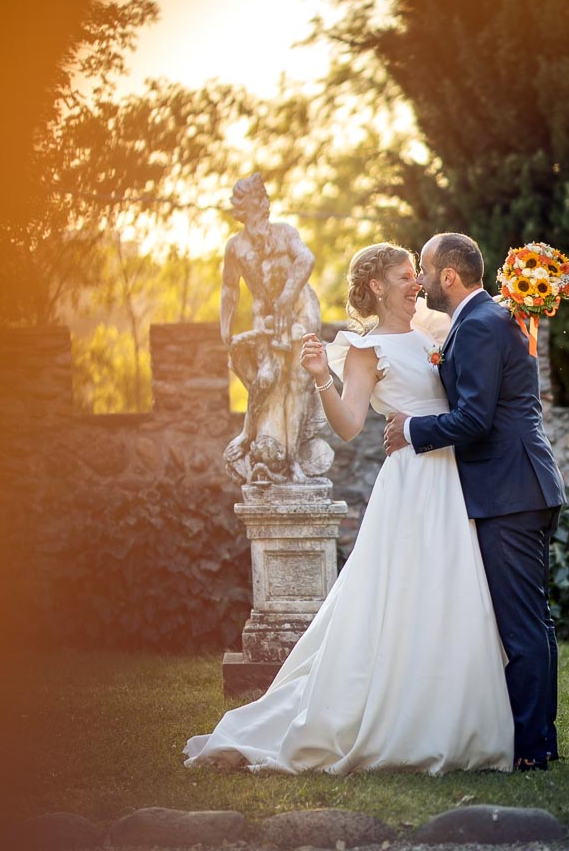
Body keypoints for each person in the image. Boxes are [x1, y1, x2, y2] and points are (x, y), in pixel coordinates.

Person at [182, 242, 514, 774]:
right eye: (405, 276)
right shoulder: (365, 348)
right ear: (379, 287)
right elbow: (350, 425)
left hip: (452, 480)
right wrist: (320, 376)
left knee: (450, 593)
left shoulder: (437, 331)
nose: (416, 283)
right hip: (411, 485)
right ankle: (387, 721)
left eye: (417, 274)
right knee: (402, 597)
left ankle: (456, 719)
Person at [384, 231, 569, 771]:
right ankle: (533, 741)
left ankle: (534, 748)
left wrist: (412, 429)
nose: (418, 280)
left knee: (523, 625)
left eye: (424, 269)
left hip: (510, 492)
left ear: (448, 276)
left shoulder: (483, 324)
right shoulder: (478, 320)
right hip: (515, 488)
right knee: (528, 621)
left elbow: (475, 418)